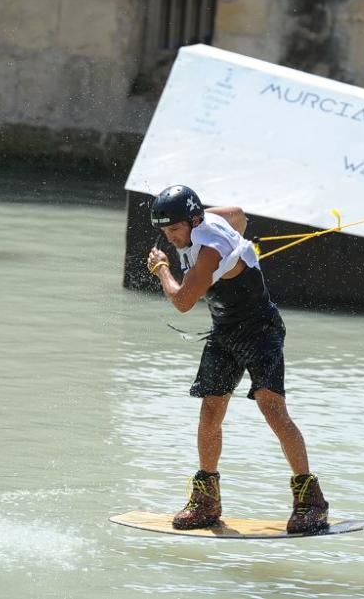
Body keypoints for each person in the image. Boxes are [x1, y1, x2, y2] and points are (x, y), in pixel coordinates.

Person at [145, 184, 329, 534]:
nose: (170, 239)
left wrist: (163, 270)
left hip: (261, 331)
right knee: (210, 410)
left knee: (271, 407)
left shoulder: (210, 251)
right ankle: (206, 502)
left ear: (193, 219)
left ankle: (311, 502)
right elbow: (239, 215)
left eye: (174, 230)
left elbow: (183, 302)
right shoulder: (208, 219)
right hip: (224, 332)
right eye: (165, 233)